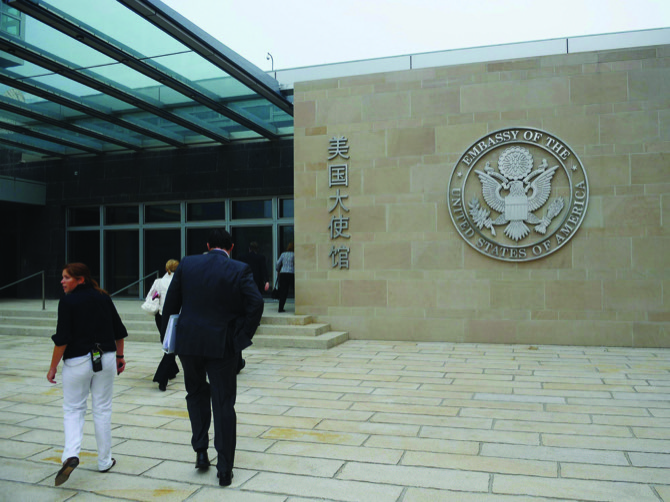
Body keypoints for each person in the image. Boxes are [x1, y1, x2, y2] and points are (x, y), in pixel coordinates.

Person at [161, 229, 263, 487]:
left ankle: (201, 451)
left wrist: (169, 342)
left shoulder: (187, 264)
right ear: (231, 247)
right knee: (223, 403)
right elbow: (256, 303)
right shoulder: (239, 269)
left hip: (189, 343)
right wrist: (242, 337)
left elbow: (170, 305)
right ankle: (225, 469)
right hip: (223, 345)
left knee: (195, 394)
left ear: (208, 245)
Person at [47, 263, 128, 486]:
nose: (62, 281)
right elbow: (119, 330)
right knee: (102, 409)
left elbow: (62, 339)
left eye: (66, 277)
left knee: (74, 409)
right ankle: (104, 461)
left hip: (78, 361)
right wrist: (120, 356)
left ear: (80, 279)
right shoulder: (103, 297)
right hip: (106, 357)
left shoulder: (68, 302)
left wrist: (53, 367)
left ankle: (71, 454)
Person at [152, 259, 180, 391]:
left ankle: (172, 370)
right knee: (172, 346)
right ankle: (162, 376)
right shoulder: (179, 281)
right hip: (176, 316)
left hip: (161, 316)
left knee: (167, 344)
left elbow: (152, 296)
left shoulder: (159, 282)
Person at [276, 242, 295, 313]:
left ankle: (280, 308)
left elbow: (278, 263)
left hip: (283, 273)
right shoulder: (294, 255)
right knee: (295, 290)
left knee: (283, 291)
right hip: (291, 273)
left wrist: (278, 270)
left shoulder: (283, 254)